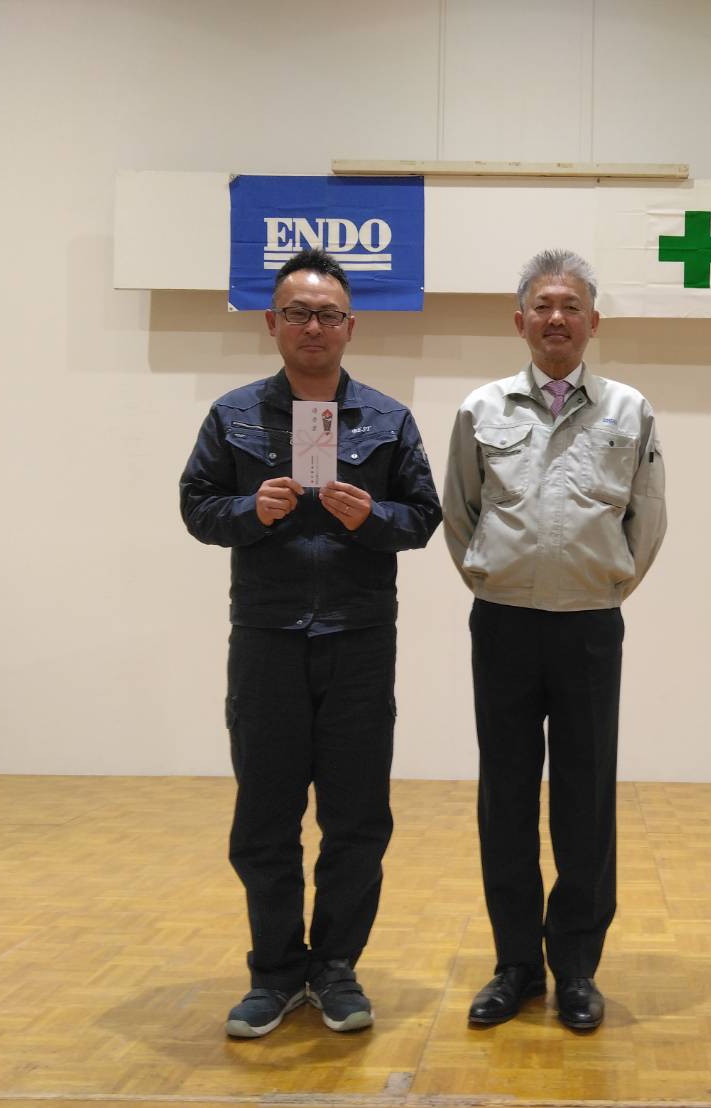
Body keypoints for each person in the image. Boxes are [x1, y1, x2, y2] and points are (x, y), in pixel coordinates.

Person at [180, 248, 441, 1038]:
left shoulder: (388, 420)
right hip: (266, 640)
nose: (313, 327)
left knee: (357, 819)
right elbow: (196, 506)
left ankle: (334, 969)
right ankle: (273, 973)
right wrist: (248, 511)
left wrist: (374, 518)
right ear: (272, 322)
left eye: (328, 315)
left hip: (359, 643)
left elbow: (423, 519)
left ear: (350, 326)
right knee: (264, 818)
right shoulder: (232, 416)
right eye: (298, 313)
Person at [441, 249, 667, 1030]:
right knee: (504, 795)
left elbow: (646, 517)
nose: (557, 318)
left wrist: (604, 585)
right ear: (520, 321)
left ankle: (574, 967)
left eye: (571, 306)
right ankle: (514, 965)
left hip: (589, 627)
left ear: (592, 321)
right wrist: (491, 577)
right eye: (542, 305)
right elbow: (459, 512)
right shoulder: (481, 408)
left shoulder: (629, 410)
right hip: (502, 622)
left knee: (585, 797)